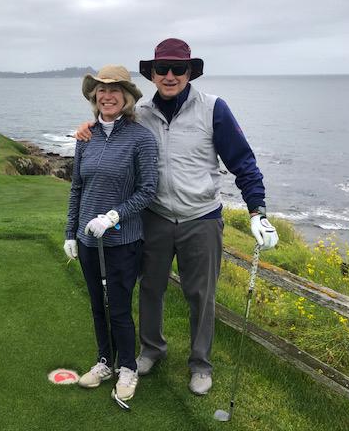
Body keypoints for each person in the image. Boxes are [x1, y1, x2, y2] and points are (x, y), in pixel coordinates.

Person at [75, 38, 278, 396]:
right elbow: (108, 126)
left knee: (200, 294)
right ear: (152, 74)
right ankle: (151, 350)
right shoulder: (142, 112)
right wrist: (86, 128)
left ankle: (200, 364)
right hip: (154, 217)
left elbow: (243, 162)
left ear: (190, 72)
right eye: (162, 69)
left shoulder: (214, 108)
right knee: (151, 288)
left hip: (201, 217)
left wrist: (256, 211)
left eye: (178, 69)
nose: (170, 75)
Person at [64, 65, 158, 403]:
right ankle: (105, 361)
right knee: (97, 307)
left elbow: (148, 190)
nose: (107, 96)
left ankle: (128, 368)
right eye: (101, 91)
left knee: (118, 308)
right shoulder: (85, 137)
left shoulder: (141, 138)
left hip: (122, 242)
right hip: (89, 241)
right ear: (94, 97)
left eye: (115, 90)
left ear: (127, 98)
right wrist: (71, 232)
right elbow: (77, 187)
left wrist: (115, 215)